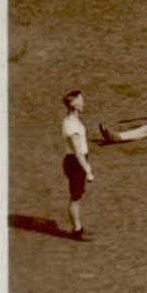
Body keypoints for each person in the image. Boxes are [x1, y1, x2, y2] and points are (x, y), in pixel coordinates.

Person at [60, 89, 94, 240]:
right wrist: (87, 170)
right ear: (74, 104)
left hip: (78, 160)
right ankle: (77, 230)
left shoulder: (74, 120)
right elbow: (77, 151)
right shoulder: (70, 125)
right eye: (80, 100)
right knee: (75, 197)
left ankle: (78, 227)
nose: (83, 103)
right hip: (75, 162)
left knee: (78, 196)